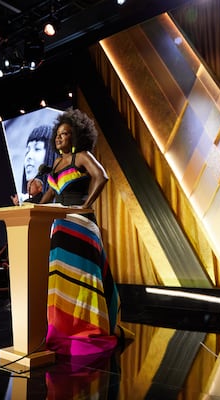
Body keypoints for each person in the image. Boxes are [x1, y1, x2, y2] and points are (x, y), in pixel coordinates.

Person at [37, 108, 129, 355]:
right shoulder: (56, 162)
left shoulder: (82, 157)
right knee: (62, 280)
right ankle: (63, 328)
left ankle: (88, 326)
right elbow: (49, 195)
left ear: (75, 136)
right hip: (60, 226)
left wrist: (85, 205)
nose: (59, 138)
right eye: (57, 134)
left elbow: (102, 177)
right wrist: (28, 203)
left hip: (80, 224)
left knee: (83, 278)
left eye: (65, 134)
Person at [16, 124, 56, 204]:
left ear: (51, 154)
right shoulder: (24, 200)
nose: (28, 156)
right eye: (27, 151)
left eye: (37, 148)